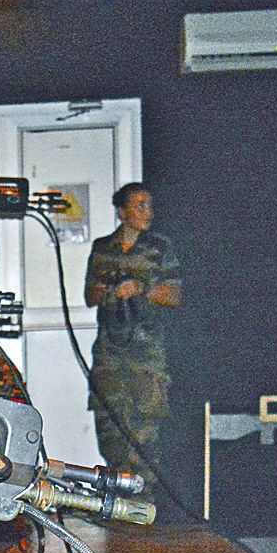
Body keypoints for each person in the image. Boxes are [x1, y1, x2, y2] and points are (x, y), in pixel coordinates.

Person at [83, 183, 182, 480]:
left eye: (150, 206)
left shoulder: (159, 247)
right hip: (110, 355)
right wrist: (105, 291)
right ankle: (116, 506)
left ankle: (144, 505)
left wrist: (142, 288)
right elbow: (89, 296)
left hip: (146, 357)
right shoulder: (102, 248)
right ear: (122, 212)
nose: (148, 212)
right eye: (140, 206)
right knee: (111, 432)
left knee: (146, 435)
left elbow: (175, 295)